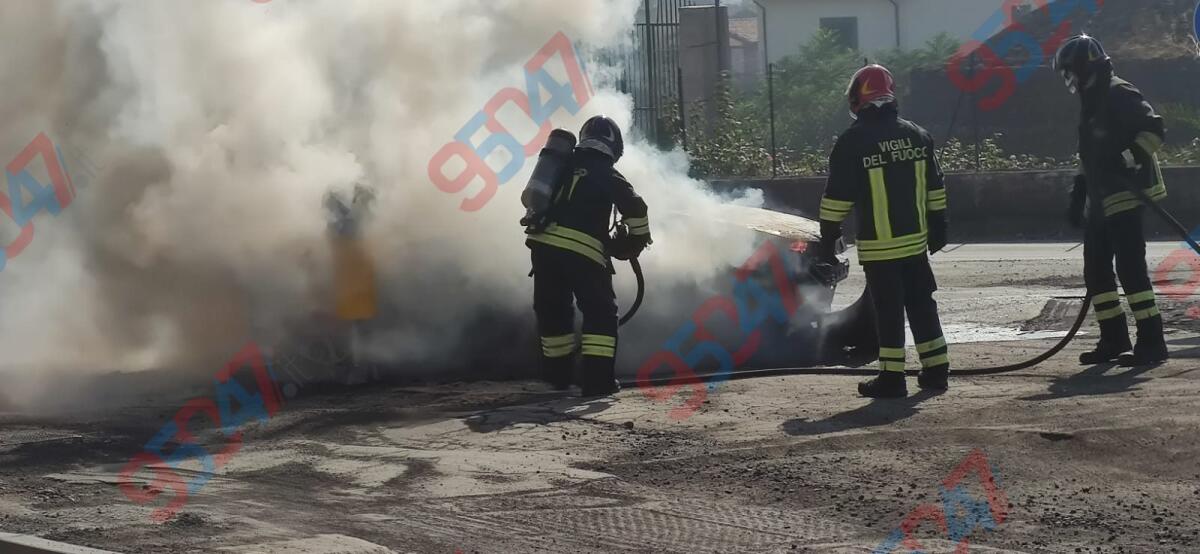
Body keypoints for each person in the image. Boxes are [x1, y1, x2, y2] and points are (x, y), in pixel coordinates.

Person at [817, 64, 950, 399]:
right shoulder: (917, 135)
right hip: (916, 244)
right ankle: (936, 371)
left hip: (881, 247)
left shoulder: (853, 141)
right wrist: (939, 225)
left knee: (888, 311)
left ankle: (892, 378)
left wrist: (828, 238)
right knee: (922, 304)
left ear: (857, 99)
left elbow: (836, 200)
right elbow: (936, 188)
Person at [1056, 34, 1169, 366]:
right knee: (1096, 271)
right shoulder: (1092, 100)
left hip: (1127, 193)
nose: (1069, 80)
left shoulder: (1119, 92)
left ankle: (1152, 342)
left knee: (1131, 270)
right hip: (1101, 199)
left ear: (1084, 68)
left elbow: (1154, 130)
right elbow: (1090, 153)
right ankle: (1114, 338)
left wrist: (1126, 158)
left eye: (1070, 72)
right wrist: (1079, 191)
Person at [526, 116, 652, 397]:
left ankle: (558, 378)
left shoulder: (561, 164)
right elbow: (636, 209)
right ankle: (597, 383)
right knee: (600, 315)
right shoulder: (607, 173)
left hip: (544, 250)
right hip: (583, 253)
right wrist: (636, 240)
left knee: (554, 313)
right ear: (614, 147)